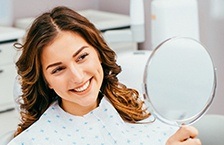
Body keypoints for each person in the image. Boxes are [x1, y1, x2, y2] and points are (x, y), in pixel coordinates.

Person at [7, 6, 201, 145]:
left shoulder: (142, 112)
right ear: (46, 81)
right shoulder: (35, 140)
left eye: (82, 57)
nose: (77, 76)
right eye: (58, 69)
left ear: (98, 53)